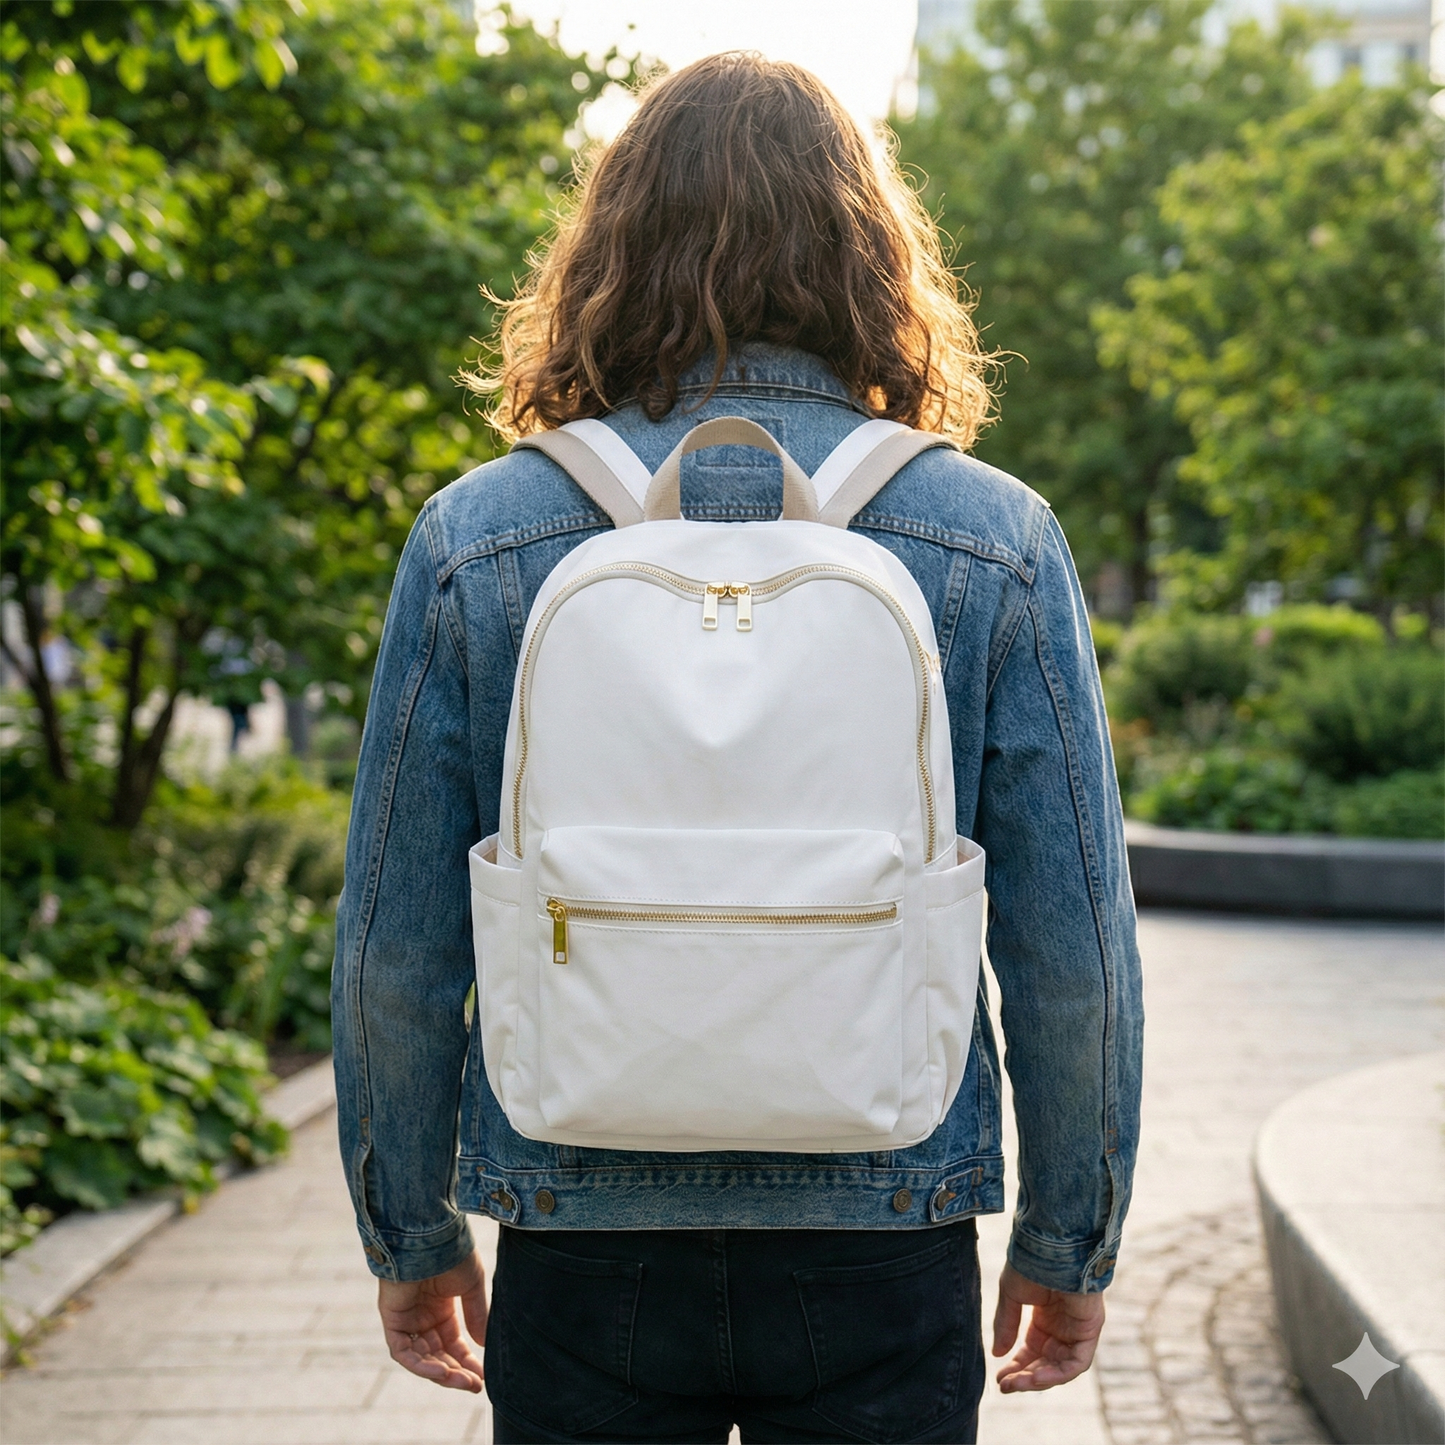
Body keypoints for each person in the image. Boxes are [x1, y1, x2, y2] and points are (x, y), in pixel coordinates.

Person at [332, 53, 1143, 1445]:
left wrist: (409, 1235)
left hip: (583, 1215)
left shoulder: (480, 539)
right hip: (887, 1210)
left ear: (608, 250)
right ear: (871, 258)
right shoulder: (995, 541)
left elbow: (396, 947)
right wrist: (1070, 1241)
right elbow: (1074, 952)